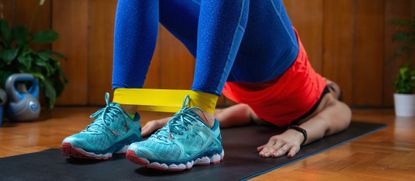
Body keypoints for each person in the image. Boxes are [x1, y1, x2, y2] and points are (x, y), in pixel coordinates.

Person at [61, 0, 351, 171]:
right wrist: (297, 130)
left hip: (245, 67)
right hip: (263, 59)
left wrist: (298, 134)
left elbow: (340, 114)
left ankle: (200, 120)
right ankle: (122, 116)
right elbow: (338, 112)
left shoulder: (311, 106)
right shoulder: (318, 91)